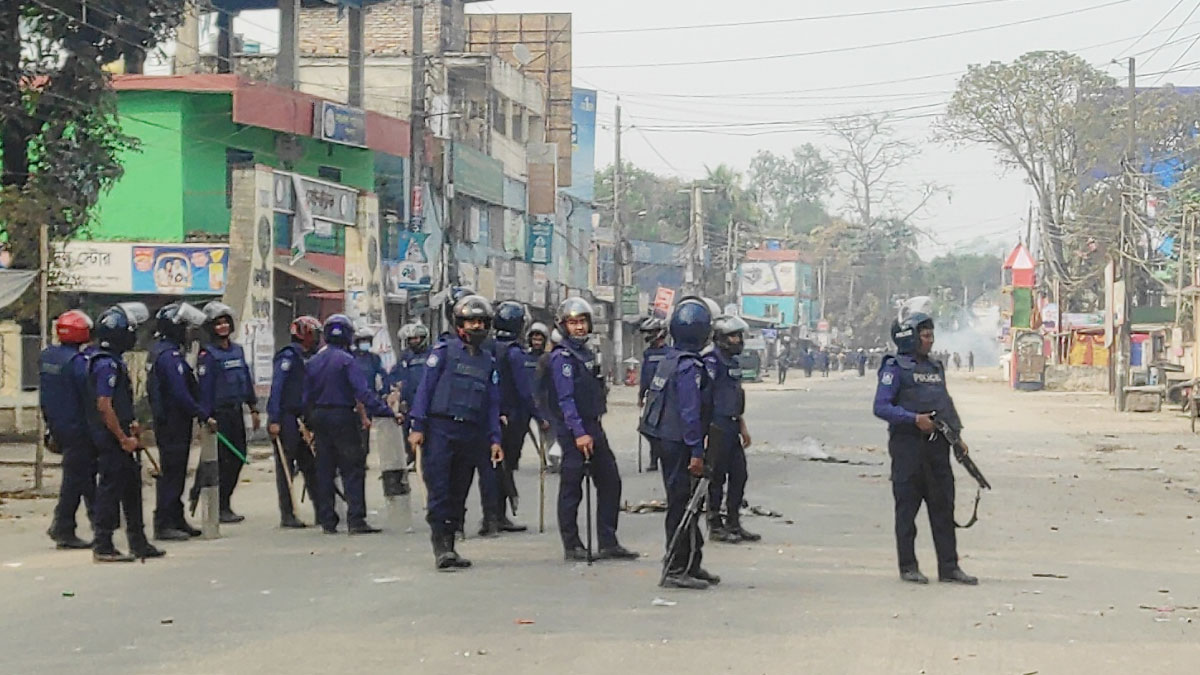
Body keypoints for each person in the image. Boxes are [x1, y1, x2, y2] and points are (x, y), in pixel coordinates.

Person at [873, 311, 978, 586]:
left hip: (938, 449)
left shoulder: (934, 367)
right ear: (909, 338)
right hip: (907, 448)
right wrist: (913, 420)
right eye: (925, 335)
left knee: (943, 507)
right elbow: (881, 407)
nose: (930, 341)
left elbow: (945, 402)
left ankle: (949, 567)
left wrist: (957, 437)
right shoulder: (894, 367)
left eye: (932, 335)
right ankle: (908, 566)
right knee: (907, 511)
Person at [408, 295, 503, 569]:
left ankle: (451, 544)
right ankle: (441, 548)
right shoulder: (443, 352)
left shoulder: (488, 361)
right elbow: (425, 389)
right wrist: (417, 425)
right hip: (440, 429)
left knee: (459, 491)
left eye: (481, 322)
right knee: (439, 489)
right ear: (459, 324)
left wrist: (495, 439)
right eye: (470, 321)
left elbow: (492, 403)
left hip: (471, 433)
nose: (476, 327)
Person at [546, 297, 638, 562]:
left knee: (610, 482)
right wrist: (578, 433)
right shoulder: (562, 357)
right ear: (563, 325)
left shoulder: (586, 354)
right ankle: (572, 544)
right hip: (574, 429)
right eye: (573, 322)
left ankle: (608, 541)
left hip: (593, 425)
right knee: (572, 487)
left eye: (582, 321)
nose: (579, 327)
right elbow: (565, 400)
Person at [639, 297, 719, 589]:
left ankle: (691, 563)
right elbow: (689, 413)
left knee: (690, 504)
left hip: (665, 440)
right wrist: (697, 452)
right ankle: (675, 568)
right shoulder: (689, 368)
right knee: (683, 505)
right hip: (681, 444)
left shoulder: (670, 359)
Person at [305, 314, 399, 535]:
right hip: (343, 417)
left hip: (319, 417)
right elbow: (363, 392)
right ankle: (356, 520)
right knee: (352, 469)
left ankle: (328, 521)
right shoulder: (348, 361)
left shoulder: (314, 361)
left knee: (325, 470)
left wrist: (308, 422)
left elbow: (305, 396)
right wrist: (387, 412)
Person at [88, 303, 164, 562]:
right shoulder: (105, 365)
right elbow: (103, 404)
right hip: (112, 441)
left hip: (122, 436)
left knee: (132, 489)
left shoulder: (114, 361)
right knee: (110, 491)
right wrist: (122, 438)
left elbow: (118, 403)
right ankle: (103, 544)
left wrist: (131, 423)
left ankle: (138, 541)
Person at [146, 302, 213, 541]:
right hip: (171, 422)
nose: (187, 332)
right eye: (184, 327)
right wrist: (201, 413)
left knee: (178, 470)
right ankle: (164, 523)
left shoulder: (167, 351)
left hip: (175, 421)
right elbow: (179, 392)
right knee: (172, 472)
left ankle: (176, 517)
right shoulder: (168, 356)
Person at [40, 310, 98, 550]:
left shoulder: (47, 356)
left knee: (80, 476)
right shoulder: (78, 363)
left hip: (57, 425)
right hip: (78, 428)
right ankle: (63, 527)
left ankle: (95, 521)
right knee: (76, 479)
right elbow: (89, 398)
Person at [197, 302, 259, 523]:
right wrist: (206, 416)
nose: (222, 326)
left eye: (225, 322)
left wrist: (253, 408)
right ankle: (219, 506)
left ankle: (226, 500)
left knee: (238, 457)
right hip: (218, 415)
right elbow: (204, 388)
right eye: (218, 323)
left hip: (236, 412)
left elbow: (246, 381)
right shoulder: (208, 354)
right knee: (221, 461)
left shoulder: (237, 350)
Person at [705, 314, 759, 545]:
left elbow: (735, 396)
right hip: (715, 426)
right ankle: (715, 524)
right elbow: (703, 399)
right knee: (716, 478)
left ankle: (733, 522)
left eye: (739, 335)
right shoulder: (710, 361)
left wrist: (743, 426)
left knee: (739, 474)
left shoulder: (734, 362)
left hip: (733, 424)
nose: (738, 340)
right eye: (733, 336)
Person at [267, 315, 322, 528]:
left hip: (305, 418)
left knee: (312, 466)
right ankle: (288, 515)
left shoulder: (311, 357)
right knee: (285, 468)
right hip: (287, 418)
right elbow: (277, 389)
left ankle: (322, 510)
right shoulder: (288, 357)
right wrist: (274, 419)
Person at [389, 322, 432, 483]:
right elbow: (395, 375)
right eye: (411, 339)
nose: (414, 341)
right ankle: (411, 456)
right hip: (408, 400)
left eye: (416, 338)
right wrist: (396, 390)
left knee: (425, 430)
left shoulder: (432, 354)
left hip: (427, 399)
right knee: (406, 430)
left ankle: (423, 460)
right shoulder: (406, 356)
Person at [638, 317, 669, 472]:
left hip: (667, 397)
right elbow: (644, 377)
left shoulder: (670, 353)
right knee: (646, 429)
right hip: (652, 397)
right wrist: (641, 395)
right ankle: (655, 457)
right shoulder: (648, 353)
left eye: (651, 332)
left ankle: (658, 460)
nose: (648, 336)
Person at [352, 327, 387, 457]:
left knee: (364, 428)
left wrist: (384, 392)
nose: (365, 343)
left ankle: (363, 455)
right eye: (362, 340)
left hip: (368, 398)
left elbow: (382, 376)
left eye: (367, 340)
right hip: (351, 400)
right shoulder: (351, 357)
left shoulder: (374, 359)